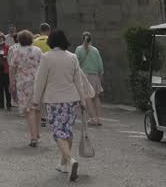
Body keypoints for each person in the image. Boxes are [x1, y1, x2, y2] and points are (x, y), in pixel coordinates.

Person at [31, 30, 96, 182]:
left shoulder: (46, 58)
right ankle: (63, 164)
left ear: (51, 41)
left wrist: (36, 99)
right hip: (71, 99)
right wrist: (82, 100)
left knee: (58, 131)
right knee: (67, 130)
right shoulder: (72, 57)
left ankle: (70, 160)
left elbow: (40, 80)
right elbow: (78, 80)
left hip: (54, 99)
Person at [10, 30, 44, 146]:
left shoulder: (16, 51)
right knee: (37, 108)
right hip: (37, 82)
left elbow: (12, 68)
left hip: (23, 83)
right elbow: (43, 66)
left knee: (28, 110)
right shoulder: (38, 50)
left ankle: (33, 137)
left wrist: (12, 83)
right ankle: (37, 133)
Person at [76, 31, 105, 126]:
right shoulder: (95, 50)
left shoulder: (79, 49)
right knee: (96, 97)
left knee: (88, 98)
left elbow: (76, 64)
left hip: (84, 76)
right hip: (95, 76)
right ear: (91, 39)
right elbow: (100, 66)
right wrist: (100, 77)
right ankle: (99, 119)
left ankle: (92, 118)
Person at [0, 32, 13, 112]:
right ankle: (1, 104)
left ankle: (9, 104)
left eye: (1, 37)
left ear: (3, 38)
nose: (0, 39)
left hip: (6, 68)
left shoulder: (7, 47)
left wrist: (6, 57)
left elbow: (11, 57)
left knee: (7, 87)